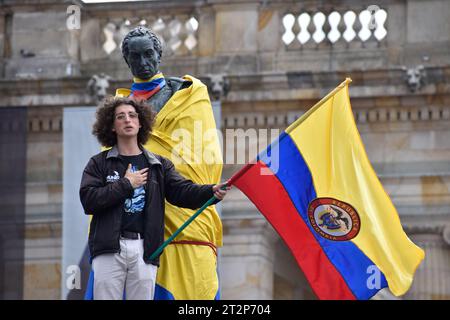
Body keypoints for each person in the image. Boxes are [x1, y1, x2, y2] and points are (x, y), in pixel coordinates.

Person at [79, 97, 229, 300]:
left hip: (144, 248)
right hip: (109, 248)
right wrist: (126, 184)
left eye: (132, 115)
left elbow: (182, 191)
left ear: (141, 123)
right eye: (120, 117)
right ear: (112, 126)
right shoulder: (99, 163)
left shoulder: (158, 165)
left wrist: (210, 192)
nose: (127, 120)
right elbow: (89, 200)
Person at [114, 26, 225, 300]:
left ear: (159, 54)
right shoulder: (118, 109)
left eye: (148, 54)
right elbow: (111, 168)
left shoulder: (188, 95)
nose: (143, 62)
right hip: (131, 232)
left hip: (183, 223)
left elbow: (203, 161)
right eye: (135, 57)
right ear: (127, 61)